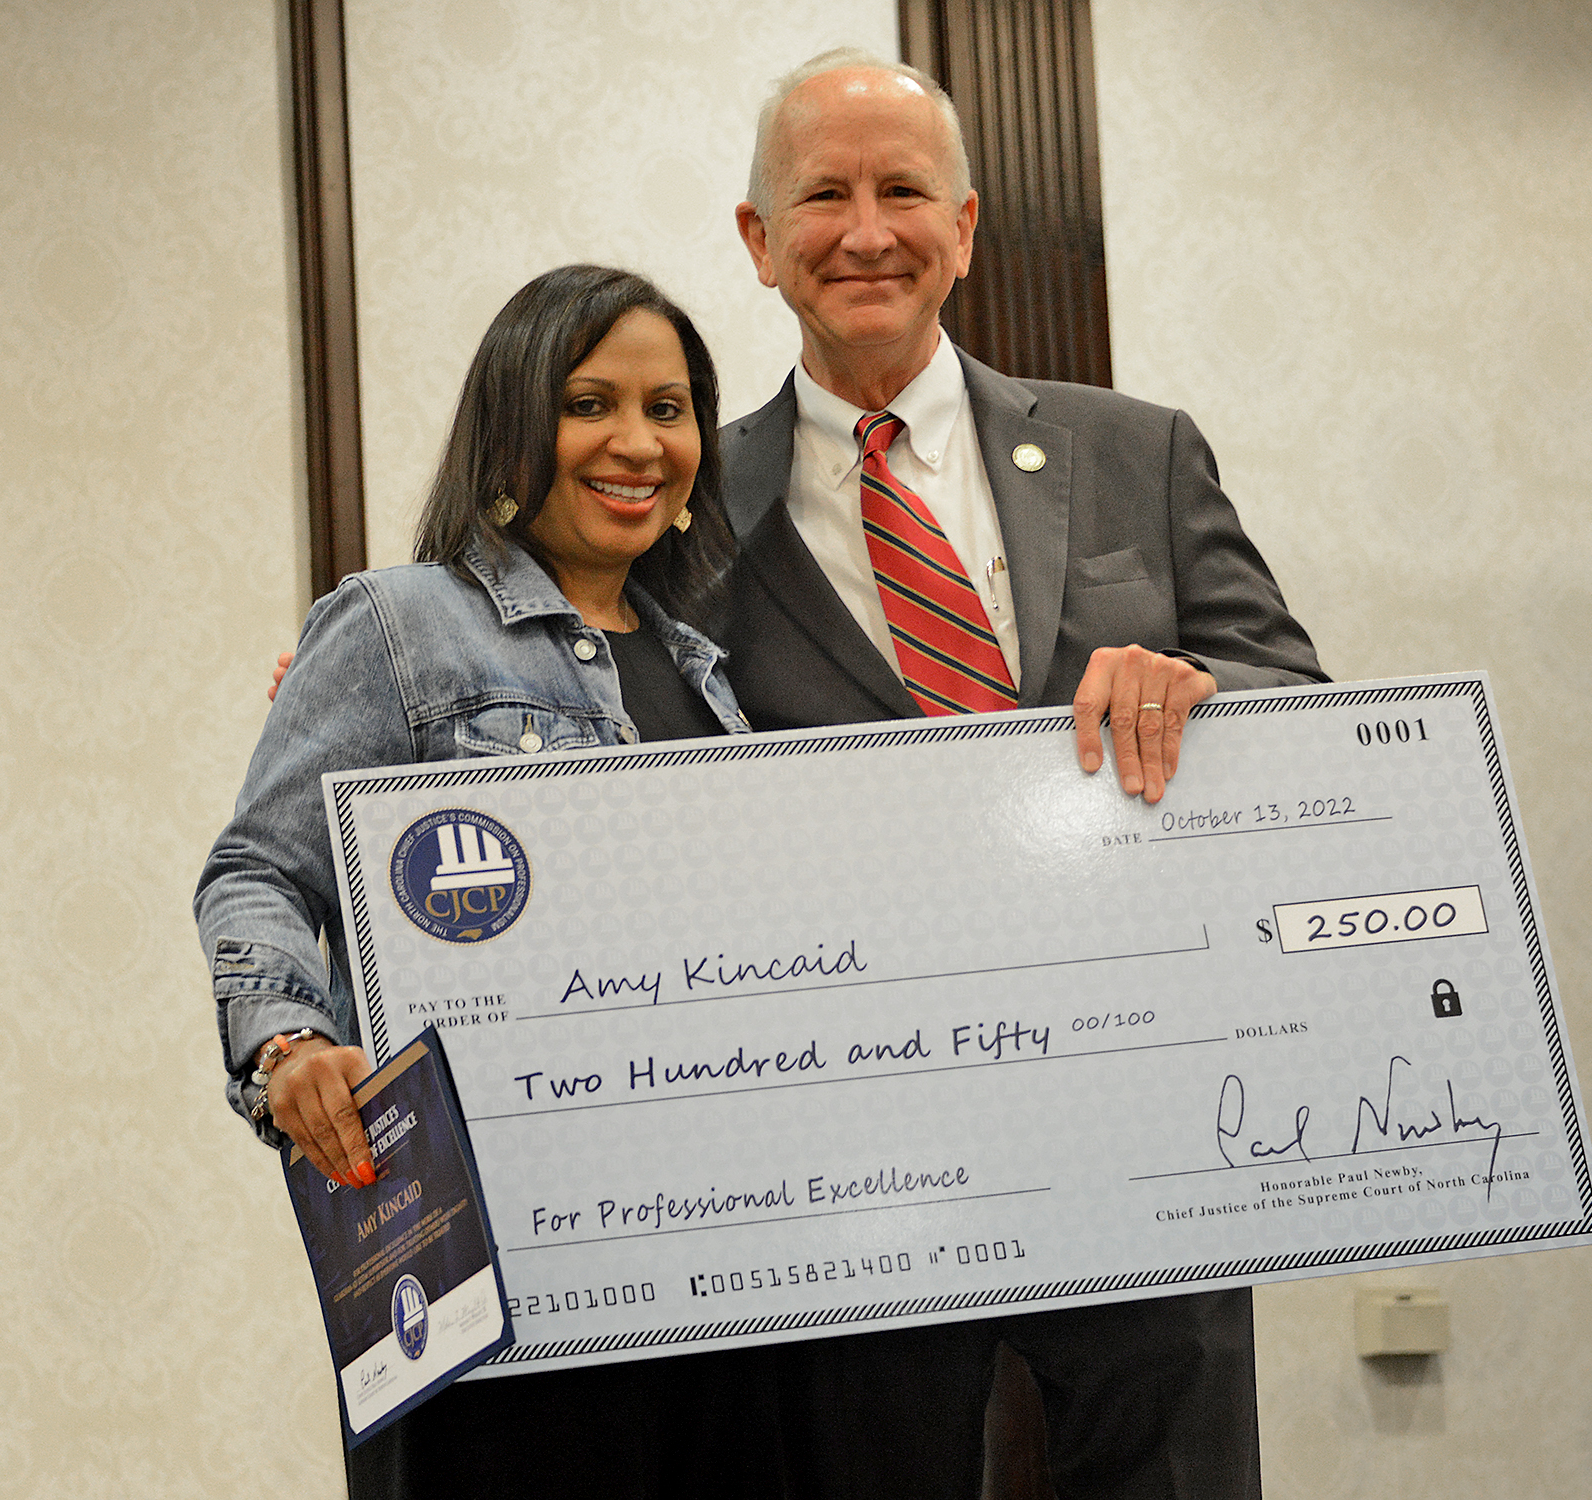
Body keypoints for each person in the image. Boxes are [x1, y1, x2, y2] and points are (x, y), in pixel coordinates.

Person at [713, 48, 1328, 1500]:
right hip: (851, 1160)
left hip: (1151, 1114)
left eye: (904, 190)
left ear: (968, 226)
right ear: (758, 243)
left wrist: (1195, 688)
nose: (868, 230)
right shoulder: (688, 507)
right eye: (824, 196)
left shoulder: (1137, 454)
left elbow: (1297, 698)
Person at [199, 264, 795, 1497]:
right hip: (486, 1283)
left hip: (713, 1272)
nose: (637, 442)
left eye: (671, 409)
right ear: (517, 424)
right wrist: (288, 1046)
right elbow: (256, 868)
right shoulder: (397, 624)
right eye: (592, 403)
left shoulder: (712, 672)